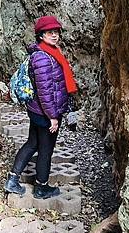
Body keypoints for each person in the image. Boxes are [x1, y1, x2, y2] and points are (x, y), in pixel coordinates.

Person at [5, 15, 78, 199]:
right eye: (49, 32)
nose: (54, 35)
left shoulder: (47, 53)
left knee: (33, 143)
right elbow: (45, 92)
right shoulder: (43, 58)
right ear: (41, 35)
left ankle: (12, 180)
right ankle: (41, 187)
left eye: (56, 32)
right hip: (45, 112)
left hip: (37, 111)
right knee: (46, 149)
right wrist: (53, 117)